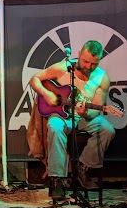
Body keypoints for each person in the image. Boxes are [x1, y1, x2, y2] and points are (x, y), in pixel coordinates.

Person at [29, 40, 115, 199]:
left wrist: (85, 113)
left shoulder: (102, 78)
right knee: (54, 127)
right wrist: (47, 94)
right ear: (79, 55)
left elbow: (96, 109)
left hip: (83, 117)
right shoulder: (63, 68)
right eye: (86, 61)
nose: (89, 66)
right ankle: (57, 179)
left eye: (94, 64)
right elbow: (35, 79)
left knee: (107, 129)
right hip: (61, 115)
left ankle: (82, 167)